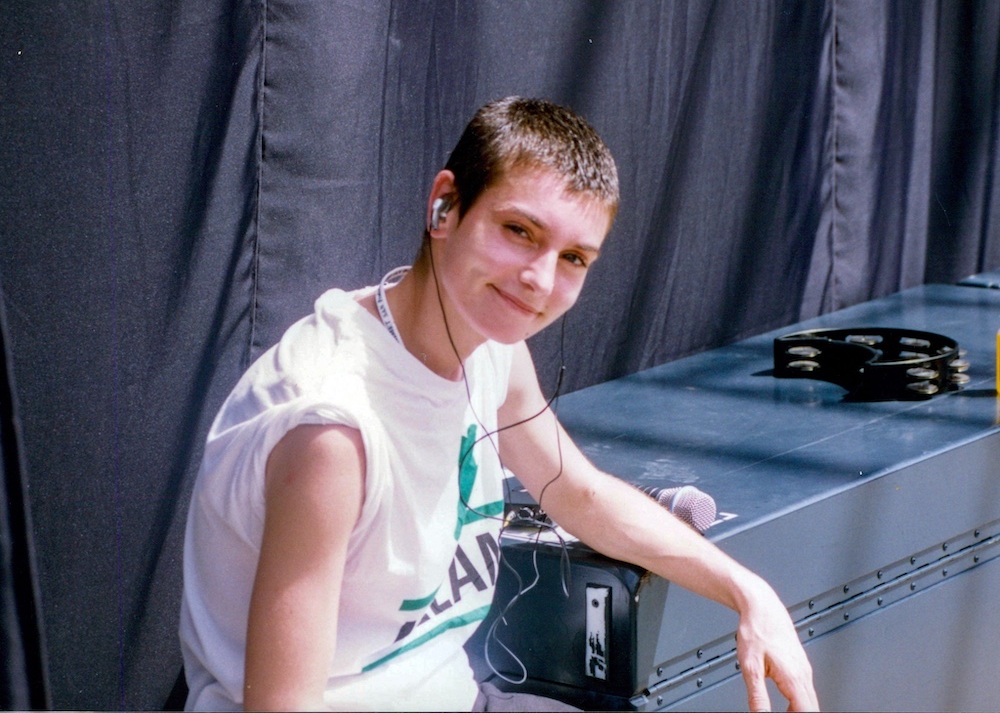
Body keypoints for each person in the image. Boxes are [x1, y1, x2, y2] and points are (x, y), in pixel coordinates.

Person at [179, 96, 818, 712]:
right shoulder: (333, 431)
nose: (540, 279)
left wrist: (749, 592)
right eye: (519, 231)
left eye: (573, 258)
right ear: (444, 207)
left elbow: (577, 494)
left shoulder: (491, 345)